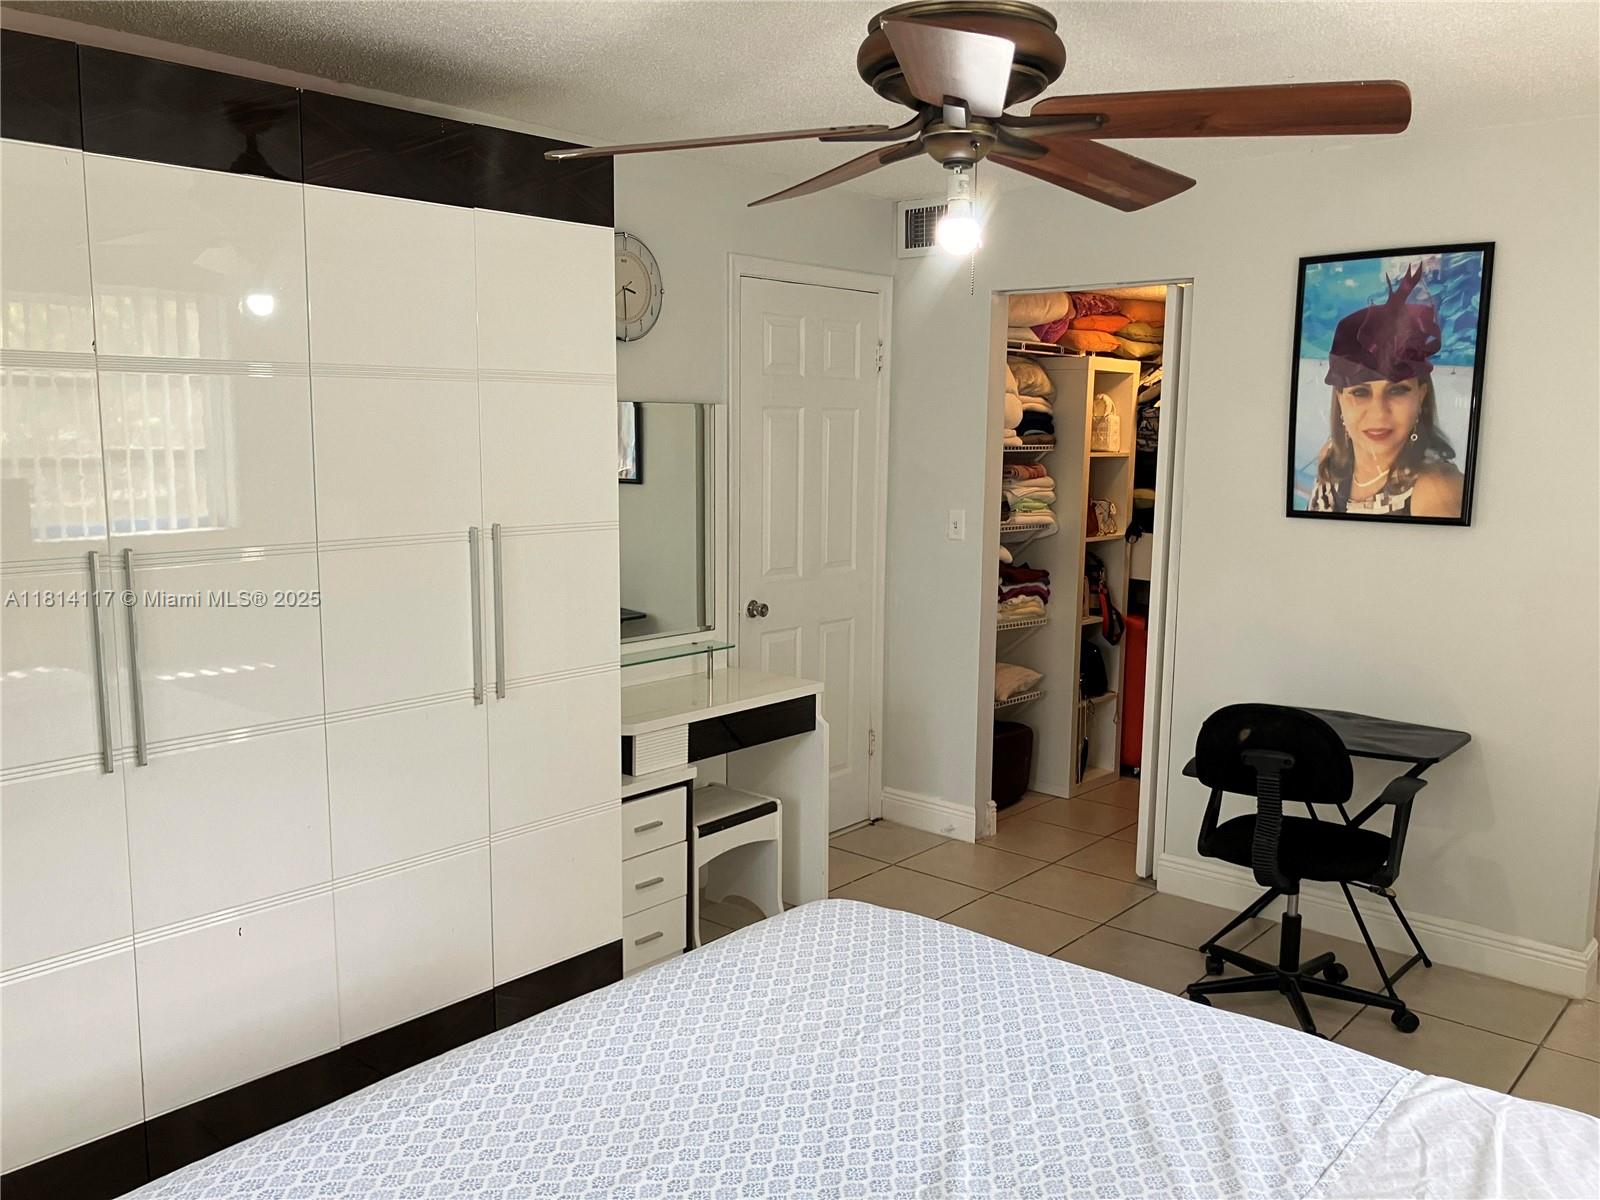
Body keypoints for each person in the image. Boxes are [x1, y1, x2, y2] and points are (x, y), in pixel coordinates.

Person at [1309, 264, 1463, 518]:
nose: (1379, 413)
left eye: (1397, 390)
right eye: (1360, 392)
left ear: (1421, 395)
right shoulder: (1331, 460)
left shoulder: (1436, 489)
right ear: (1340, 398)